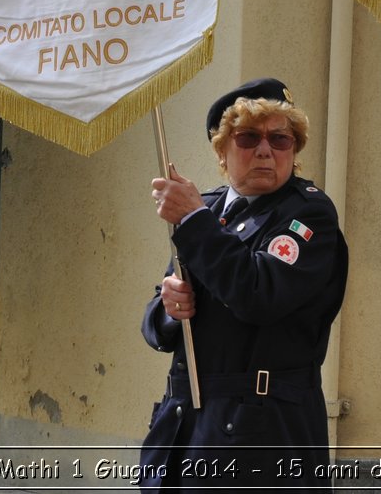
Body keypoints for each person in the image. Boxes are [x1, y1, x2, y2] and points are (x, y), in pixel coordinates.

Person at [141, 78, 348, 491]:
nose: (266, 150)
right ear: (222, 149)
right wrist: (168, 307)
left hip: (263, 437)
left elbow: (259, 294)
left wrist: (195, 221)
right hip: (187, 430)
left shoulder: (308, 215)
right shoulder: (210, 208)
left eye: (281, 139)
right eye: (249, 137)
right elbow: (157, 325)